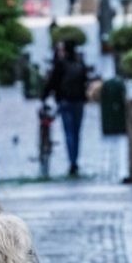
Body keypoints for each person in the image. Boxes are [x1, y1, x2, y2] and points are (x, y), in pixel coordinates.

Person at [42, 42, 89, 176]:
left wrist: (44, 96)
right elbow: (85, 81)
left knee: (69, 132)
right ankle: (75, 160)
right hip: (79, 102)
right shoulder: (80, 63)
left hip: (65, 101)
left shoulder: (61, 64)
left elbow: (52, 82)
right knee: (76, 132)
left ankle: (72, 161)